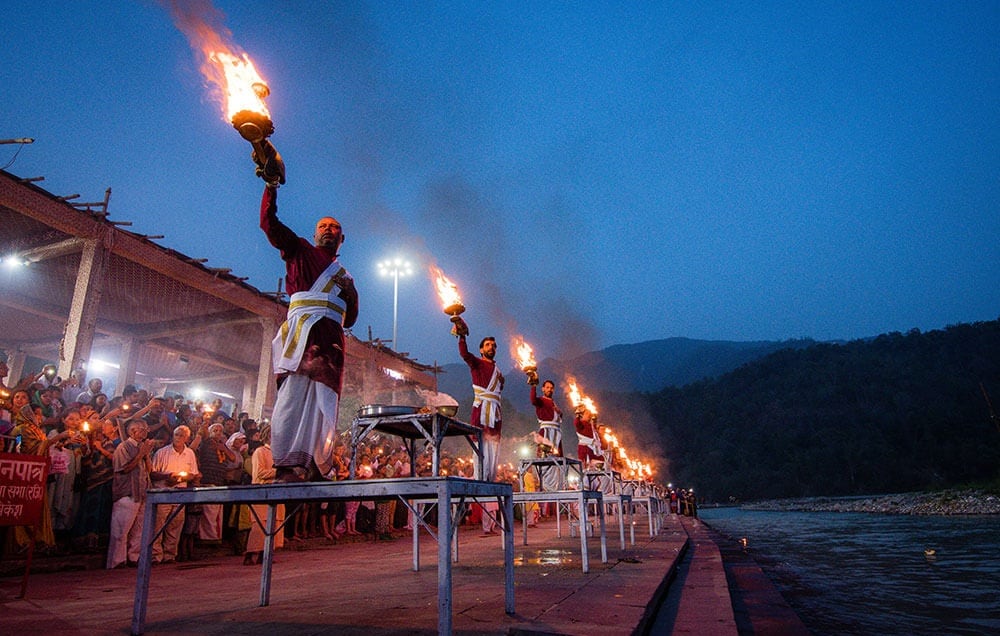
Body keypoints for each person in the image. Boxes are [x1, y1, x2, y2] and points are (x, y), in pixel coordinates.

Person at [257, 171, 360, 482]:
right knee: (293, 397)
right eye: (323, 227)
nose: (328, 230)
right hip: (302, 337)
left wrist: (349, 292)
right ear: (315, 235)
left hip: (330, 344)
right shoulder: (300, 250)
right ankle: (287, 464)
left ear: (342, 238)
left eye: (335, 228)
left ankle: (317, 463)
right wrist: (270, 187)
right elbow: (269, 225)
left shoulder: (345, 277)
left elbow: (351, 317)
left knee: (324, 403)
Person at [452, 319, 504, 536]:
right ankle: (480, 496)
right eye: (488, 345)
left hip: (496, 416)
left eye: (494, 345)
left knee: (492, 465)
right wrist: (461, 336)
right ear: (482, 349)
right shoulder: (476, 363)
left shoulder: (499, 373)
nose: (491, 347)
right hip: (481, 412)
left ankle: (490, 513)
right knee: (480, 457)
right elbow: (464, 354)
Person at [106, 419, 153, 569]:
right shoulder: (123, 447)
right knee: (121, 530)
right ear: (133, 431)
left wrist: (146, 455)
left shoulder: (143, 447)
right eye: (142, 429)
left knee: (139, 529)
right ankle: (117, 561)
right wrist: (141, 453)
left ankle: (134, 557)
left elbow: (149, 470)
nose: (145, 432)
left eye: (146, 429)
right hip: (127, 493)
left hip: (142, 492)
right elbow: (125, 468)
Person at [149, 425, 199, 564]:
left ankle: (170, 555)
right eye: (176, 435)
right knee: (158, 525)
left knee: (175, 525)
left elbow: (193, 473)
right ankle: (155, 555)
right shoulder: (162, 452)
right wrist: (168, 477)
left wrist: (182, 478)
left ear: (187, 438)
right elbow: (153, 472)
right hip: (164, 492)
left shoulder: (189, 454)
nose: (178, 438)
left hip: (180, 493)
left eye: (182, 436)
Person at [529, 378, 564, 493]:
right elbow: (533, 400)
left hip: (556, 435)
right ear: (543, 389)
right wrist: (533, 385)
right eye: (547, 387)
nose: (549, 390)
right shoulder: (541, 401)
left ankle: (556, 490)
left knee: (557, 461)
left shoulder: (554, 403)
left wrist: (559, 412)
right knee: (545, 459)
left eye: (551, 388)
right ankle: (546, 487)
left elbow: (559, 417)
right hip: (546, 432)